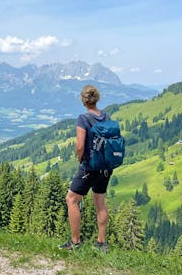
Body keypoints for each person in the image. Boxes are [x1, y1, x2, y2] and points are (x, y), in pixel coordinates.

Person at [59, 85, 111, 252]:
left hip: (90, 167)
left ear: (83, 100)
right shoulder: (106, 117)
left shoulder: (83, 119)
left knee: (71, 199)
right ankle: (101, 243)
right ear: (97, 99)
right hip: (105, 166)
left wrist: (80, 160)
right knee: (100, 202)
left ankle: (75, 243)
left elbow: (80, 146)